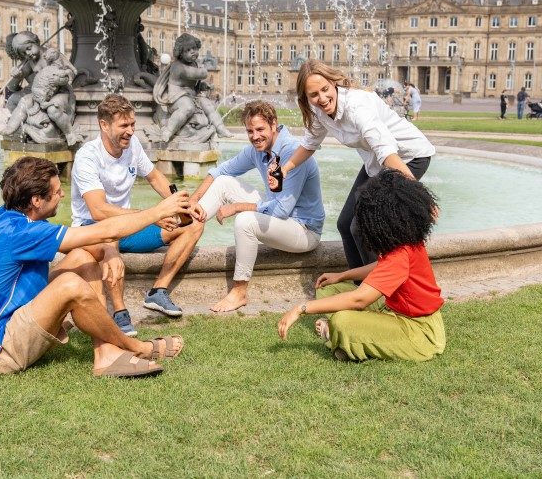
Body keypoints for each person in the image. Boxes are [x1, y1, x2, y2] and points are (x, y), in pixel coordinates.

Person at [0, 156, 190, 377]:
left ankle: (106, 354)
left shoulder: (8, 217)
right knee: (70, 285)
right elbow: (105, 230)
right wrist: (157, 212)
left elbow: (90, 240)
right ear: (36, 200)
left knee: (81, 257)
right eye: (57, 191)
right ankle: (137, 347)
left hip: (12, 322)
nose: (62, 195)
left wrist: (110, 251)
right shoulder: (22, 233)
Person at [281, 59, 436, 270]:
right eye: (314, 94)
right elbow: (310, 144)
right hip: (377, 164)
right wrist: (285, 168)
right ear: (306, 96)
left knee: (362, 226)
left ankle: (377, 289)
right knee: (345, 224)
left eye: (325, 89)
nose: (322, 98)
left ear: (334, 83)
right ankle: (357, 285)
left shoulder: (357, 107)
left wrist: (422, 197)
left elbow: (386, 152)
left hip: (408, 158)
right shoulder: (317, 109)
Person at [278, 170, 445, 363]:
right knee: (329, 288)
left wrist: (300, 308)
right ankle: (348, 335)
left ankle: (339, 334)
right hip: (393, 310)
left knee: (342, 321)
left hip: (421, 333)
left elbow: (360, 299)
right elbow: (379, 267)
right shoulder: (405, 242)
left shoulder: (401, 254)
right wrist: (341, 276)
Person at [71, 94, 204, 336]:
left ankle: (158, 292)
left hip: (128, 227)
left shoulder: (132, 146)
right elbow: (98, 210)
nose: (131, 131)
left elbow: (154, 176)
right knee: (110, 239)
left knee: (192, 225)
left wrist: (182, 205)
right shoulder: (87, 156)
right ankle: (120, 313)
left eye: (133, 124)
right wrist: (154, 214)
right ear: (104, 125)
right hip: (92, 228)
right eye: (124, 125)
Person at [189, 100, 325, 312]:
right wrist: (193, 201)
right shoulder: (257, 150)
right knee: (223, 182)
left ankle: (239, 292)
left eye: (260, 129)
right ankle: (185, 229)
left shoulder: (293, 153)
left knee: (245, 220)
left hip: (304, 230)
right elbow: (221, 170)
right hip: (281, 217)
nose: (255, 136)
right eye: (250, 131)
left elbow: (281, 210)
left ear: (274, 125)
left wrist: (236, 207)